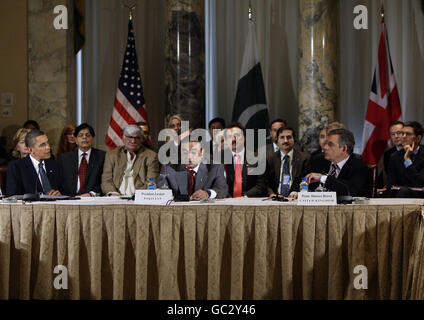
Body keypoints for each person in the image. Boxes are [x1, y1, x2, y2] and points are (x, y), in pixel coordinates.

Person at [157, 138, 228, 199]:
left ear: (202, 152)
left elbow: (222, 190)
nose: (189, 157)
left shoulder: (215, 167)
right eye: (185, 152)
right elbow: (161, 193)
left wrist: (207, 193)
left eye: (193, 152)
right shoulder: (168, 168)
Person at [306, 128, 369, 196]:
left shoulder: (358, 166)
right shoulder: (319, 160)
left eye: (330, 144)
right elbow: (302, 181)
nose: (325, 147)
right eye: (325, 143)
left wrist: (323, 178)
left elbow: (351, 190)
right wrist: (298, 192)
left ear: (344, 148)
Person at [101, 125, 160, 196]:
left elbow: (151, 182)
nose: (133, 141)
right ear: (123, 138)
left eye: (137, 138)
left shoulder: (151, 156)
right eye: (130, 137)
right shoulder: (112, 155)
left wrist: (136, 196)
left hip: (139, 198)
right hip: (115, 197)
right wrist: (113, 193)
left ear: (142, 139)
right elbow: (106, 180)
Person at [6, 129, 63, 196]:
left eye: (48, 143)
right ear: (30, 149)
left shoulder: (55, 165)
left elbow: (68, 192)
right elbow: (13, 196)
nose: (48, 147)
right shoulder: (16, 167)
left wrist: (60, 194)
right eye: (42, 145)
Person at [59, 123, 105, 197]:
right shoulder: (64, 158)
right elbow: (61, 181)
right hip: (69, 199)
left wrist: (91, 194)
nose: (84, 137)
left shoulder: (102, 156)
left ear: (93, 139)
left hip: (92, 199)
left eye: (88, 135)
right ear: (76, 140)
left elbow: (105, 181)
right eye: (81, 135)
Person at [222, 122, 266, 197]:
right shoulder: (220, 160)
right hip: (227, 201)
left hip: (251, 202)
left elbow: (261, 186)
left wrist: (244, 197)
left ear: (244, 138)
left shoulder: (258, 158)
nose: (233, 139)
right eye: (229, 136)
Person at [265, 126, 310, 198]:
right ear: (277, 140)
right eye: (282, 137)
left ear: (294, 139)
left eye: (289, 137)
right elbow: (265, 183)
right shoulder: (269, 159)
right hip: (275, 198)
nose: (285, 140)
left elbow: (308, 181)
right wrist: (271, 194)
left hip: (296, 198)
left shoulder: (304, 158)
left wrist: (298, 193)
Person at [387, 121, 424, 198]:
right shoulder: (394, 157)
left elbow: (420, 183)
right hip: (400, 198)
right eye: (403, 133)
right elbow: (391, 186)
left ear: (418, 138)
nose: (403, 137)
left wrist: (407, 160)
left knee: (405, 192)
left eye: (408, 134)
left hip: (420, 198)